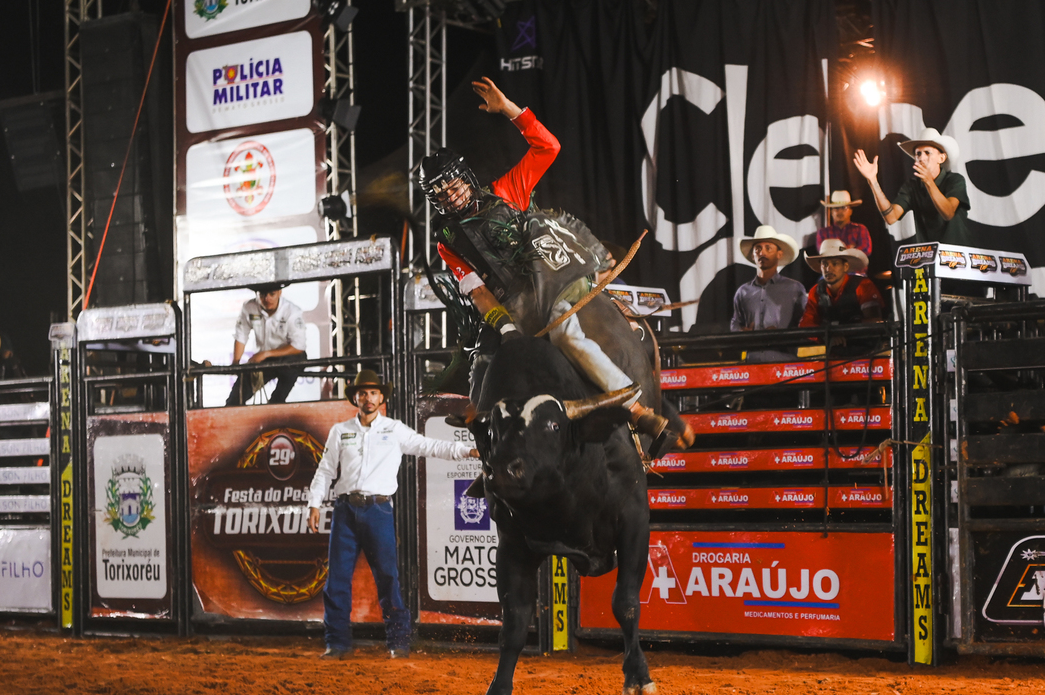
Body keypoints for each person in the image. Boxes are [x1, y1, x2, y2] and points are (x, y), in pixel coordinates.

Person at [416, 77, 685, 446]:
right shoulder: (446, 241)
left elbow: (548, 146)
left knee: (565, 335)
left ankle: (637, 410)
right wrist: (507, 330)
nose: (451, 194)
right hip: (510, 306)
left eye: (453, 185)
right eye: (441, 192)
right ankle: (485, 435)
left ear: (466, 178)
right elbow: (477, 292)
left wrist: (508, 109)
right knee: (481, 360)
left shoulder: (506, 190)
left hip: (552, 279)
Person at [305, 370, 478, 660]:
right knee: (336, 580)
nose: (368, 398)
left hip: (378, 510)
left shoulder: (394, 429)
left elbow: (430, 446)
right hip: (345, 510)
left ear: (381, 397)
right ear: (355, 398)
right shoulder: (340, 431)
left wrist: (466, 450)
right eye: (363, 393)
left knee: (388, 577)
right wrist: (314, 504)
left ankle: (398, 642)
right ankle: (337, 643)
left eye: (373, 393)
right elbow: (325, 470)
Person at [853, 127, 975, 246]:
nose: (921, 158)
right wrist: (872, 180)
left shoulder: (955, 180)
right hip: (928, 255)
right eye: (918, 154)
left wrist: (929, 182)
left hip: (958, 255)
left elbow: (948, 213)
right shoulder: (912, 186)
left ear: (941, 158)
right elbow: (891, 217)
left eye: (927, 152)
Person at [228, 282, 307, 405]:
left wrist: (266, 354)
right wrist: (236, 362)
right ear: (257, 294)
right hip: (262, 361)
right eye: (263, 294)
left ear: (279, 293)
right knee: (234, 400)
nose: (267, 298)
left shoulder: (292, 311)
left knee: (295, 363)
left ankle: (276, 403)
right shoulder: (249, 307)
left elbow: (298, 346)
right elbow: (241, 335)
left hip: (287, 359)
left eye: (272, 294)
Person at [731, 225, 807, 332]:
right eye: (758, 249)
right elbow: (736, 322)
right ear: (753, 255)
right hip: (752, 344)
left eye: (768, 248)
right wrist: (741, 331)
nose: (762, 253)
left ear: (779, 254)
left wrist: (781, 334)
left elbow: (805, 323)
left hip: (782, 344)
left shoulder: (795, 289)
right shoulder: (743, 292)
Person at [799, 239, 885, 328]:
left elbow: (874, 322)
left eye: (835, 264)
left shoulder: (863, 286)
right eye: (825, 264)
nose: (828, 269)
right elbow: (806, 324)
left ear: (845, 267)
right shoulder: (815, 291)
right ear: (821, 267)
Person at [816, 191, 872, 258]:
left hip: (853, 265)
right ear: (831, 212)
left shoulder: (860, 229)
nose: (840, 211)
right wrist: (851, 248)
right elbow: (823, 252)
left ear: (850, 211)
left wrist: (836, 250)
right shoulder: (823, 232)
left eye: (843, 208)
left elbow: (866, 249)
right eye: (836, 208)